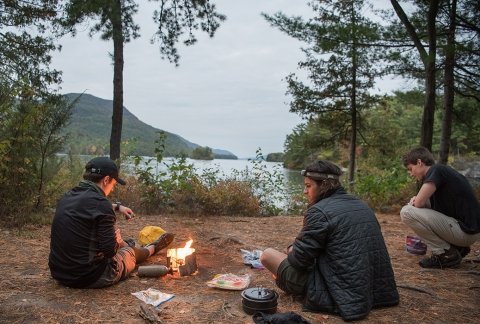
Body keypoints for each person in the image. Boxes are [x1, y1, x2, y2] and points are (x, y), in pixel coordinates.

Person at [260, 160, 399, 321]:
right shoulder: (362, 205)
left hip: (337, 292)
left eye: (309, 186)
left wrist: (292, 248)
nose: (305, 191)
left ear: (324, 185)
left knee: (267, 255)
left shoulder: (319, 212)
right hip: (375, 291)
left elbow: (299, 261)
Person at [49, 156, 174, 288]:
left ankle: (132, 245)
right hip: (89, 276)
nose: (112, 189)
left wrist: (118, 207)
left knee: (124, 243)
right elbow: (109, 252)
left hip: (59, 273)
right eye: (113, 184)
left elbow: (88, 206)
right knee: (128, 251)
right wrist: (117, 242)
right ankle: (152, 248)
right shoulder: (101, 204)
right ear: (106, 180)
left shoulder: (67, 196)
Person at [400, 147, 480, 269]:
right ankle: (457, 248)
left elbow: (420, 203)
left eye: (411, 169)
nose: (411, 173)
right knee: (415, 209)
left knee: (406, 212)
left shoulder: (436, 170)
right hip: (468, 232)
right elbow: (427, 206)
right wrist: (417, 200)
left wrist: (416, 200)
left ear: (419, 162)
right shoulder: (443, 174)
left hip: (465, 232)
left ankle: (445, 253)